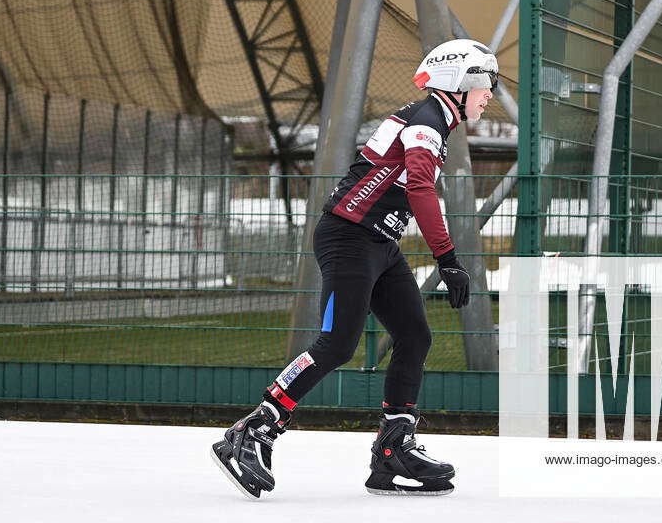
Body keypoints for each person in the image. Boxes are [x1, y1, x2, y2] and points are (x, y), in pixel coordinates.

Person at [211, 39, 499, 499]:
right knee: (338, 344)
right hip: (349, 238)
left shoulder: (433, 120)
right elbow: (421, 189)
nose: (490, 93)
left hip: (377, 241)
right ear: (456, 83)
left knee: (415, 335)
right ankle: (254, 428)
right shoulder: (426, 121)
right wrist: (447, 259)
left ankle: (393, 449)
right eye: (485, 81)